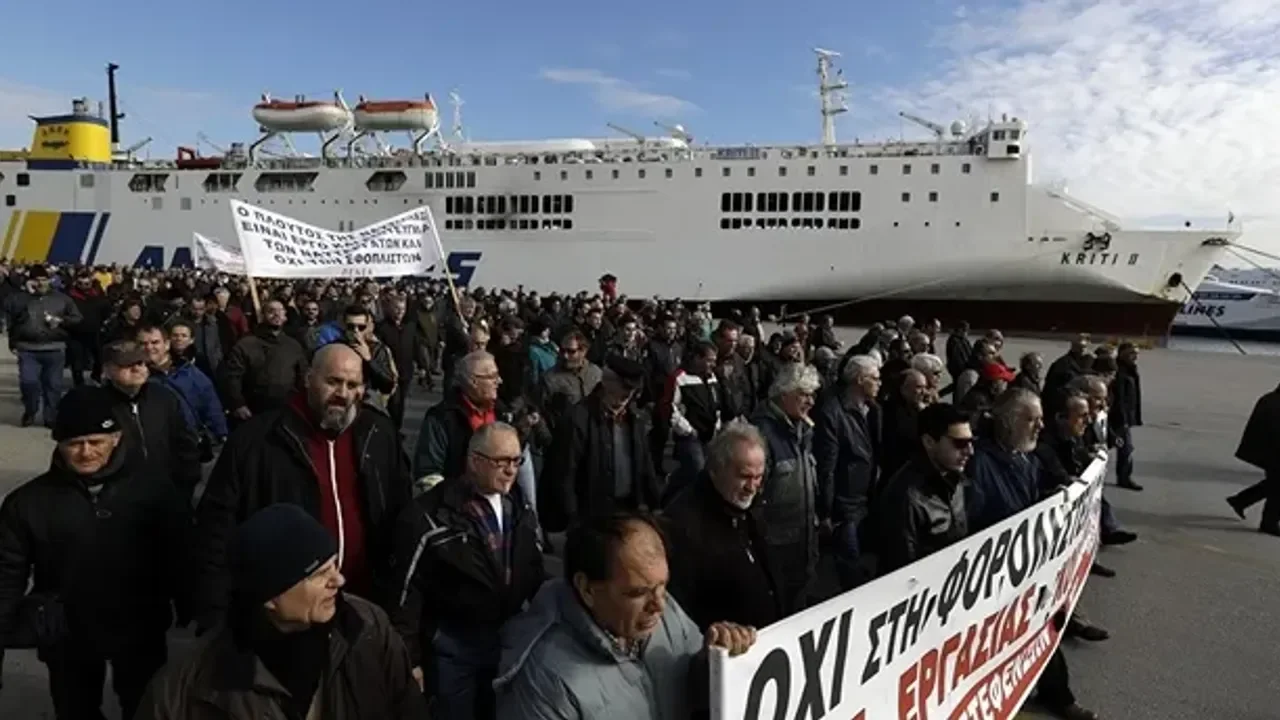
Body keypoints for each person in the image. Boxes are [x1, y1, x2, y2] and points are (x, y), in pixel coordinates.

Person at [193, 344, 412, 629]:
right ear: (308, 378)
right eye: (332, 381)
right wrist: (215, 613)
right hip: (286, 614)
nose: (342, 394)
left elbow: (402, 515)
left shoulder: (379, 433)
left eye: (352, 384)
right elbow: (216, 528)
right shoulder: (258, 440)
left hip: (363, 605)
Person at [136, 503, 427, 719]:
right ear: (270, 596)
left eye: (334, 566)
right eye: (318, 574)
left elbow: (407, 708)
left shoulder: (368, 628)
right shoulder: (186, 690)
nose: (338, 581)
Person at [0, 387, 184, 720]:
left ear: (115, 438)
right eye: (74, 443)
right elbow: (7, 572)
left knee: (145, 707)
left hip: (139, 625)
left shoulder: (154, 491)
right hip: (67, 631)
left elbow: (182, 553)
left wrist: (189, 604)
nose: (86, 452)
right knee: (75, 710)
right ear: (58, 444)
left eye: (96, 441)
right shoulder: (27, 504)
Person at [492, 513, 756, 719]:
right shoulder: (543, 682)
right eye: (637, 593)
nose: (659, 605)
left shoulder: (664, 610)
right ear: (587, 589)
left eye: (663, 585)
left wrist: (716, 660)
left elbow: (693, 687)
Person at [391, 423, 547, 720]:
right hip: (453, 647)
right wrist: (410, 660)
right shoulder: (429, 516)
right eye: (501, 461)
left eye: (517, 461)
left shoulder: (519, 508)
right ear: (475, 461)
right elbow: (405, 594)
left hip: (507, 640)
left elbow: (533, 569)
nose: (511, 471)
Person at [663, 421, 787, 630]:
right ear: (716, 470)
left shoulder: (750, 505)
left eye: (758, 477)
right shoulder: (684, 524)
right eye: (745, 476)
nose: (752, 487)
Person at [865, 402, 973, 576]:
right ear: (929, 442)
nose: (969, 451)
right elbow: (900, 568)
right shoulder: (905, 496)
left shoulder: (957, 478)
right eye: (959, 443)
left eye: (971, 442)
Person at [3, 266, 83, 427]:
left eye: (44, 280)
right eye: (36, 280)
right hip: (27, 348)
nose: (40, 283)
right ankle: (30, 410)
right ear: (29, 281)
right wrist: (27, 296)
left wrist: (61, 321)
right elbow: (10, 318)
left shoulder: (61, 299)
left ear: (49, 280)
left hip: (55, 347)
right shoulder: (18, 298)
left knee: (53, 385)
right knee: (29, 382)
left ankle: (50, 416)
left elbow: (77, 318)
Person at [1229, 381, 1280, 535]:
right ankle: (1268, 523)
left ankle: (1241, 500)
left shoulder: (1270, 399)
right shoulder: (1275, 404)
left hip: (1269, 452)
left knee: (1275, 483)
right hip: (1273, 453)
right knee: (1278, 487)